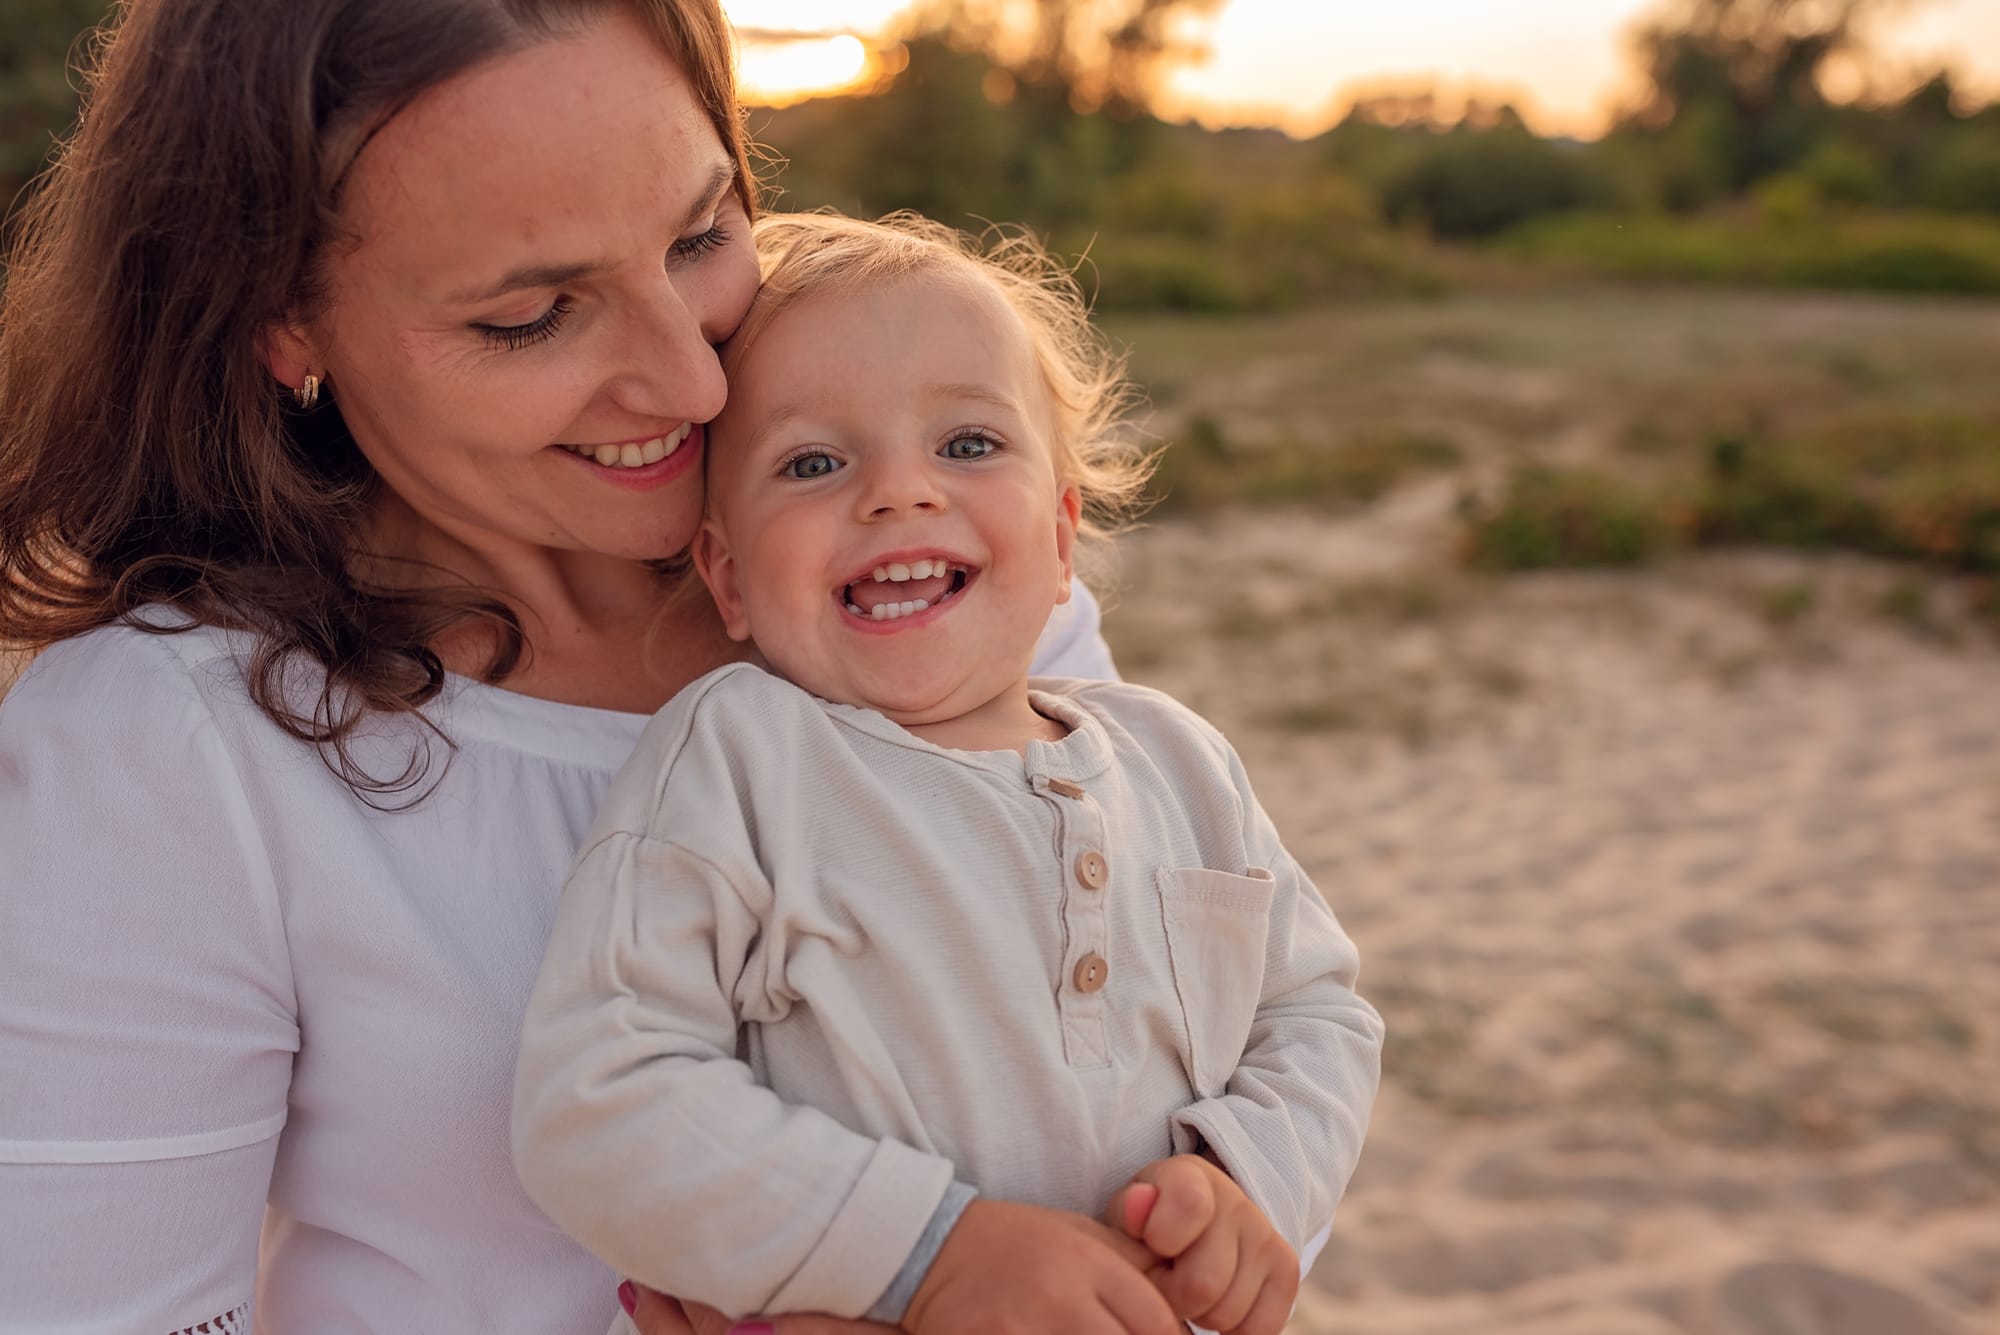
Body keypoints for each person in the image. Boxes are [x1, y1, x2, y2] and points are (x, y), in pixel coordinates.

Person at [0, 5, 1118, 1333]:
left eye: (702, 235)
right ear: (284, 319)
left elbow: (1185, 1050)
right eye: (533, 316)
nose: (692, 381)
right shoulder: (171, 749)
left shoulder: (924, 591)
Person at [511, 212, 1385, 1335]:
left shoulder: (1179, 762)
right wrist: (927, 1256)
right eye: (813, 462)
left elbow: (1315, 1010)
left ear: (1062, 534)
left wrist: (1243, 1179)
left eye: (967, 444)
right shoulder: (740, 759)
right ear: (726, 575)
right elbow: (598, 1100)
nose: (897, 494)